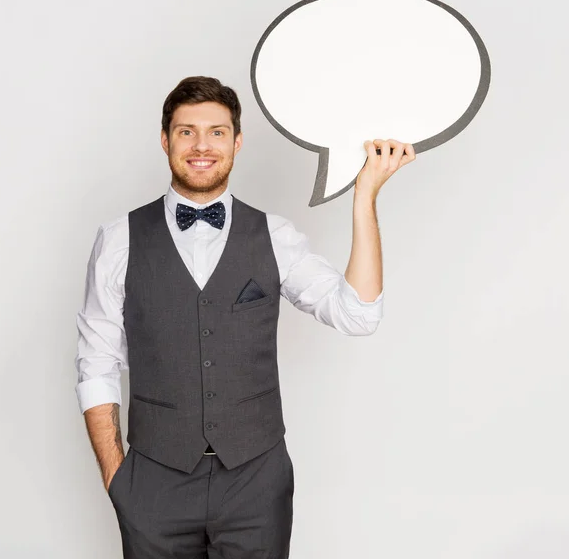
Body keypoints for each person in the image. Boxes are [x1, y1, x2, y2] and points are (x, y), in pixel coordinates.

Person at [74, 75, 415, 558]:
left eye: (216, 132)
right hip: (153, 483)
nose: (201, 145)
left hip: (257, 484)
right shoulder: (118, 240)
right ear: (165, 140)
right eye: (186, 131)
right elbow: (97, 363)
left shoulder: (274, 235)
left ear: (236, 141)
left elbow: (357, 314)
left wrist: (365, 197)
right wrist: (117, 478)